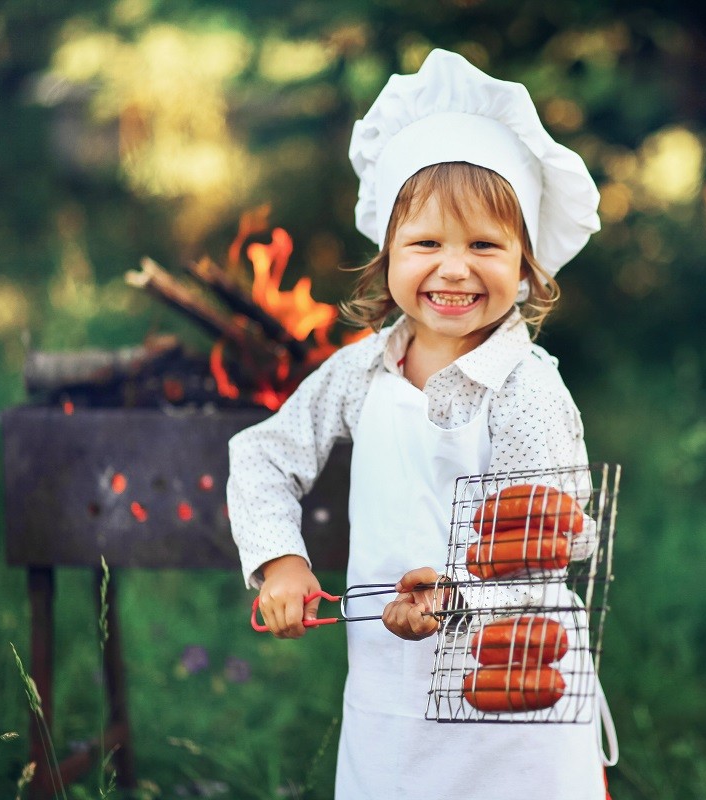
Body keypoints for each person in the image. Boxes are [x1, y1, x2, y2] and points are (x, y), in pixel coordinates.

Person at [228, 48, 610, 799]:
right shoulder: (361, 370)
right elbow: (264, 455)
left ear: (528, 266)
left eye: (485, 246)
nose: (454, 269)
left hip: (509, 696)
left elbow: (545, 549)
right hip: (391, 701)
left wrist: (457, 598)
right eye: (427, 244)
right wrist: (282, 561)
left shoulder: (526, 391)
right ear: (387, 255)